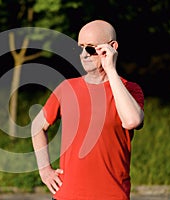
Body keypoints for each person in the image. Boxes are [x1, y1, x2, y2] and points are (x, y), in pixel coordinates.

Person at [31, 19, 144, 200]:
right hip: (66, 196)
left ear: (112, 47)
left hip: (112, 195)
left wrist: (110, 70)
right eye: (80, 47)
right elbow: (37, 126)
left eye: (90, 48)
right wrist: (45, 170)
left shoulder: (130, 89)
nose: (84, 54)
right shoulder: (67, 88)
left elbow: (132, 121)